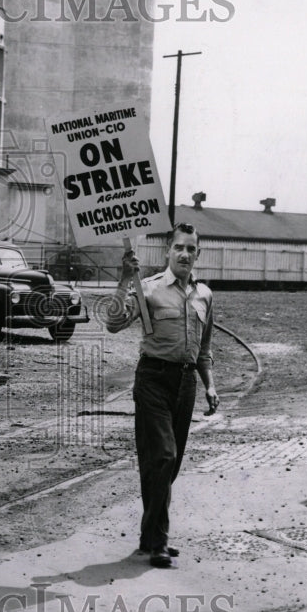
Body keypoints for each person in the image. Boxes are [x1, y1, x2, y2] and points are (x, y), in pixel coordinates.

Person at [103, 222, 219, 568]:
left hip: (186, 385)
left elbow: (205, 347)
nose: (185, 254)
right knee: (163, 457)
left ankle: (150, 536)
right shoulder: (149, 289)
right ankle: (159, 542)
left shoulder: (205, 295)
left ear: (198, 254)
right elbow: (113, 323)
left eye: (191, 249)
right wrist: (125, 279)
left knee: (168, 465)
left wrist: (210, 384)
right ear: (168, 251)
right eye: (179, 247)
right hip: (153, 378)